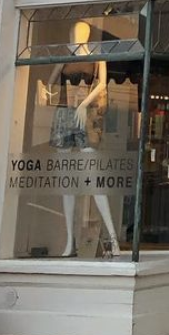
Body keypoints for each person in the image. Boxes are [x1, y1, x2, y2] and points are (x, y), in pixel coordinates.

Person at [47, 20, 120, 257]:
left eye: (82, 31)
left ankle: (113, 238)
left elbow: (101, 84)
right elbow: (50, 81)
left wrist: (85, 104)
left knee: (93, 177)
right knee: (67, 181)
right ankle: (70, 241)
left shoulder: (97, 55)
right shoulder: (64, 55)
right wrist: (48, 93)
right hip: (64, 113)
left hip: (84, 116)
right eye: (75, 31)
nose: (78, 34)